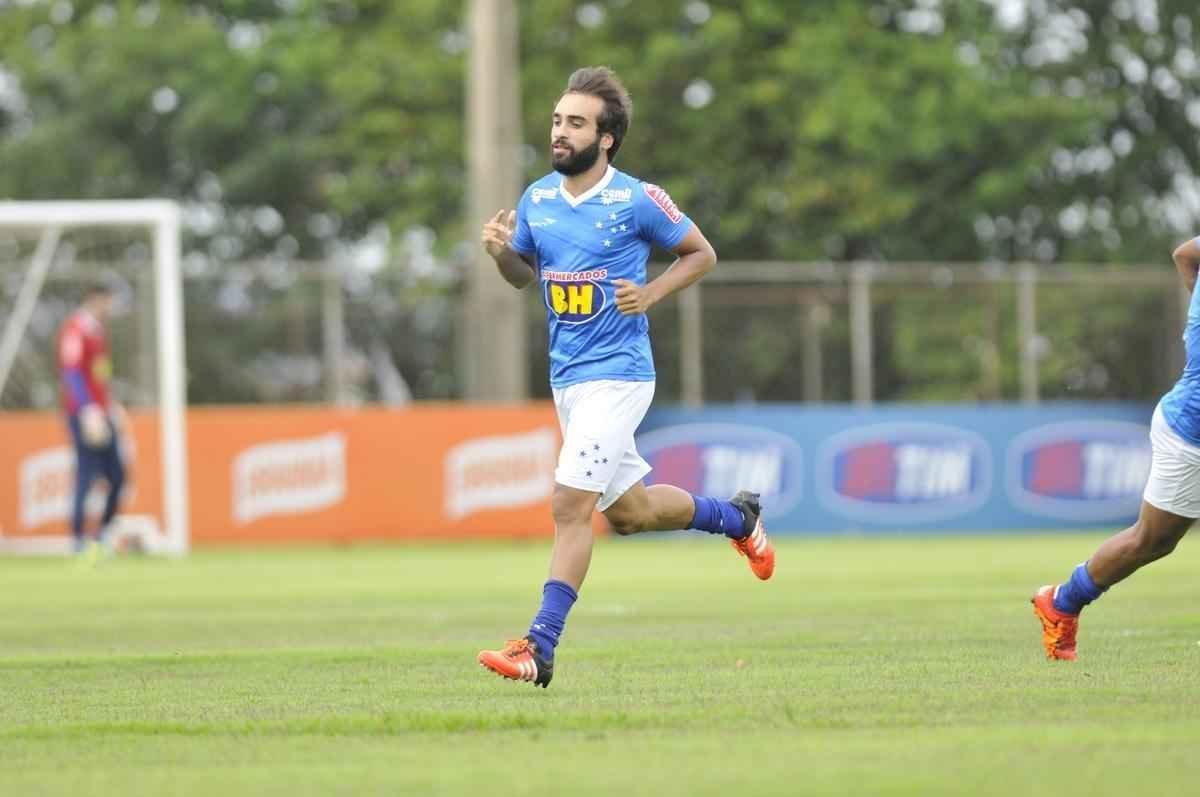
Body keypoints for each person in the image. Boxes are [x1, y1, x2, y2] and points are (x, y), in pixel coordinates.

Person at [476, 67, 774, 688]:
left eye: (575, 123)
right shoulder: (537, 199)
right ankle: (737, 518)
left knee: (568, 505)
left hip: (620, 376)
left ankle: (540, 646)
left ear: (606, 138)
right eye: (558, 120)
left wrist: (653, 293)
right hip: (570, 381)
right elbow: (524, 276)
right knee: (631, 514)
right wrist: (503, 253)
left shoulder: (636, 197)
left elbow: (702, 252)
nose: (560, 132)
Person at [1033, 235, 1200, 660]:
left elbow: (1185, 253)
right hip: (1189, 433)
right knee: (1151, 541)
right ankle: (1061, 603)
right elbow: (1185, 254)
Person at [59, 281, 126, 556]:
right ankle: (77, 540)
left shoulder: (99, 333)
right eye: (108, 301)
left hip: (102, 411)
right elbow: (71, 372)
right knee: (86, 474)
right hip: (83, 414)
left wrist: (110, 406)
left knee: (117, 475)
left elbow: (100, 375)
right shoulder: (75, 329)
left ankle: (102, 535)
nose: (110, 307)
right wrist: (87, 410)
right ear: (95, 299)